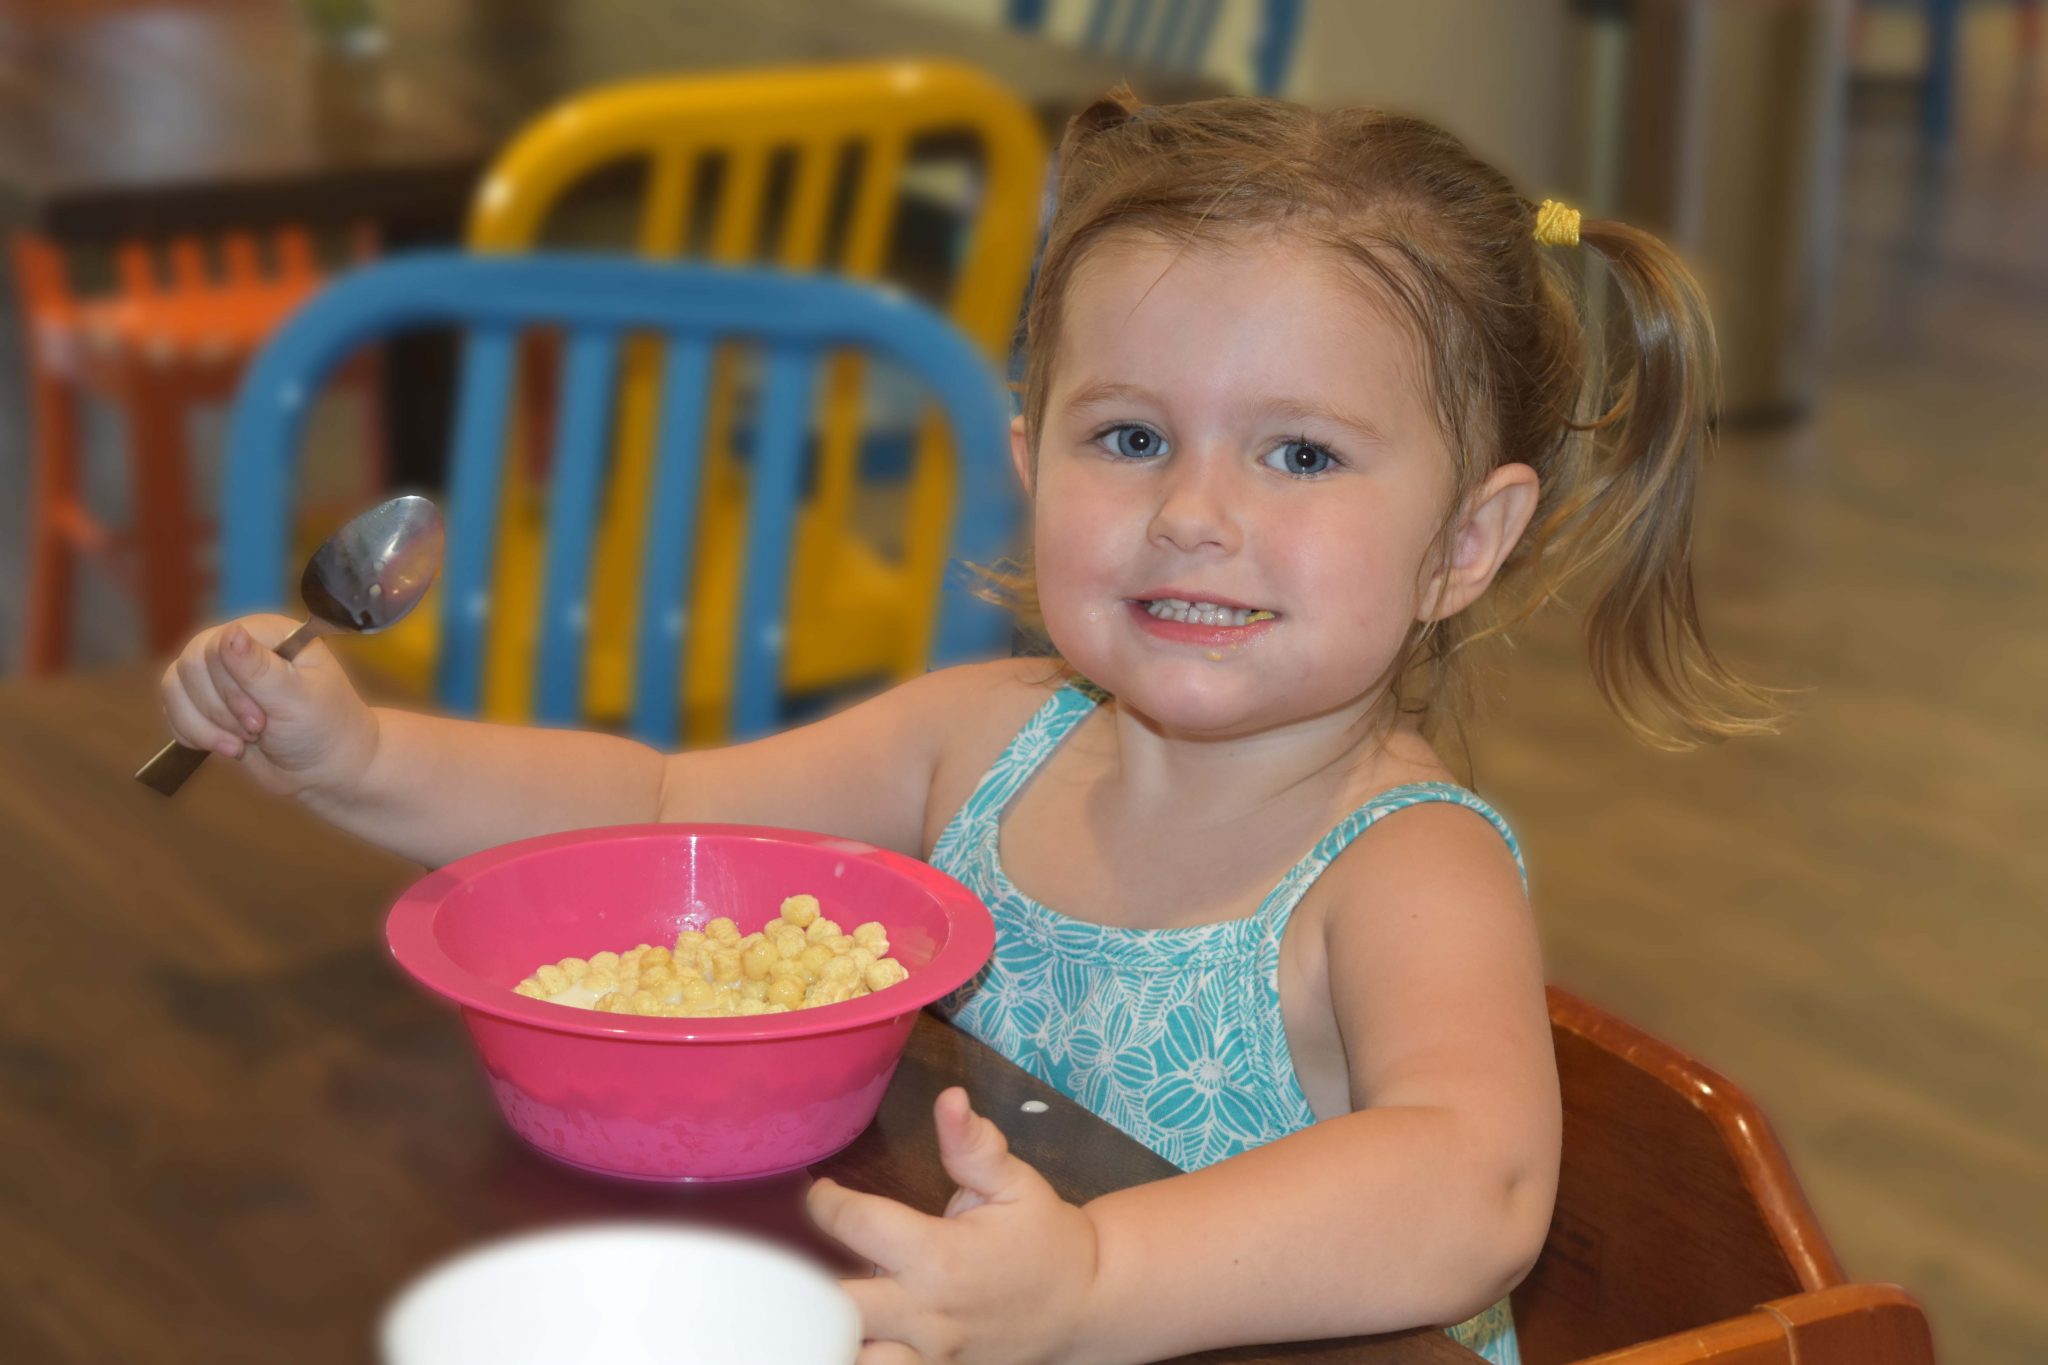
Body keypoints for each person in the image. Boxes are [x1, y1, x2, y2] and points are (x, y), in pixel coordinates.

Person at [161, 89, 1774, 1365]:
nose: (1195, 514)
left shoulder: (1405, 866)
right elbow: (656, 804)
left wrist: (1090, 1280)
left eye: (1300, 456)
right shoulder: (979, 737)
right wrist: (360, 757)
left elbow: (1469, 1185)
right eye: (1130, 435)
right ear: (1029, 454)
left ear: (1468, 543)